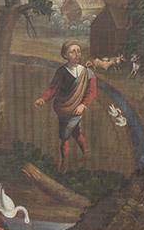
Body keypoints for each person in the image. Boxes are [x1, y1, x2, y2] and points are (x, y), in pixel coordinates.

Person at [34, 40, 97, 173]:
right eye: (72, 52)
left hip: (77, 109)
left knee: (65, 135)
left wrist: (83, 105)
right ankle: (81, 155)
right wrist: (43, 99)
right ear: (65, 55)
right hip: (62, 108)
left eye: (78, 51)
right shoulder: (61, 71)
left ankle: (66, 161)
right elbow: (53, 88)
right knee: (75, 132)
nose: (77, 54)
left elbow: (92, 91)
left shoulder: (87, 72)